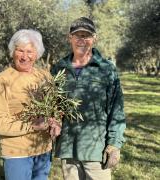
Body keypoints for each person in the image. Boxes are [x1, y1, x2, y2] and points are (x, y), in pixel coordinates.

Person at [51, 17, 126, 180]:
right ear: (69, 38)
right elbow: (53, 104)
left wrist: (114, 143)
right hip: (68, 149)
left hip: (96, 149)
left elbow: (116, 109)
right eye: (78, 35)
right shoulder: (58, 68)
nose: (82, 40)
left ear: (94, 39)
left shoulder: (106, 69)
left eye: (87, 35)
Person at [0, 29, 60, 180]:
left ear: (37, 54)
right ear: (13, 51)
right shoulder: (1, 81)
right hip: (17, 153)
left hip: (43, 149)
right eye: (20, 50)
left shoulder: (45, 76)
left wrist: (56, 123)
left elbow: (55, 108)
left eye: (30, 51)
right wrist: (31, 125)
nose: (25, 56)